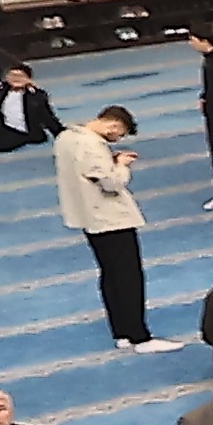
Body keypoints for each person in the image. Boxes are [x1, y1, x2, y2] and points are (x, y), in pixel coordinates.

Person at [61, 104, 152, 347]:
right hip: (110, 218)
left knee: (110, 274)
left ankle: (121, 331)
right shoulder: (91, 144)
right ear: (113, 124)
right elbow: (111, 183)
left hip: (87, 216)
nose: (116, 138)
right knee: (128, 276)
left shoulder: (67, 136)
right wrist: (121, 165)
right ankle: (138, 335)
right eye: (119, 133)